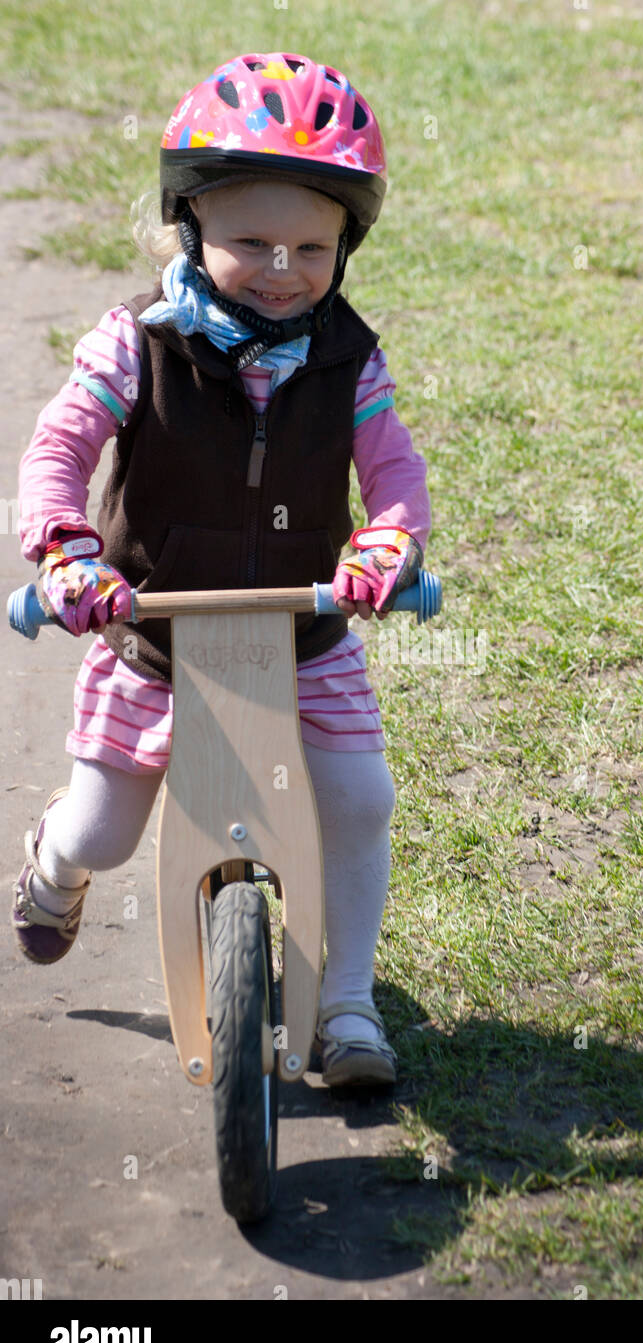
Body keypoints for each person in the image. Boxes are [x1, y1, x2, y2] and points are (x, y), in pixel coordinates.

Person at [12, 52, 432, 1087]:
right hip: (152, 630)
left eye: (313, 245)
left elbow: (393, 471)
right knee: (106, 828)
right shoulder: (136, 342)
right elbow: (60, 447)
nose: (284, 267)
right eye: (252, 241)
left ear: (347, 244)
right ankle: (52, 862)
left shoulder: (348, 358)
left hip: (305, 628)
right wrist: (64, 549)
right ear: (189, 228)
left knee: (360, 799)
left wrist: (389, 539)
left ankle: (345, 1006)